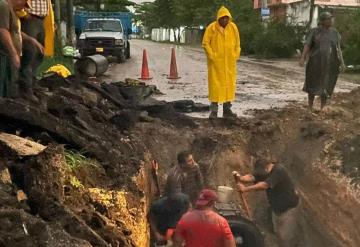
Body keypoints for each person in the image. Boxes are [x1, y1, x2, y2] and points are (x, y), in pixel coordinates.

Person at [235, 159, 301, 247]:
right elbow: (252, 177)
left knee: (285, 237)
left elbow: (265, 185)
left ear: (266, 168)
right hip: (277, 209)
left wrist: (245, 189)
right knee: (279, 235)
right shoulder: (265, 171)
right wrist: (241, 178)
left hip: (289, 209)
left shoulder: (279, 170)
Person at [299, 11, 346, 111]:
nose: (331, 21)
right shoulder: (314, 31)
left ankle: (322, 108)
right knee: (312, 83)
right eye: (328, 19)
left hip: (330, 63)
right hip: (315, 62)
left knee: (327, 84)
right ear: (322, 21)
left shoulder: (334, 33)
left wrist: (342, 62)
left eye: (331, 19)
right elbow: (307, 45)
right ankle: (310, 106)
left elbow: (338, 49)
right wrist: (303, 58)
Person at [202, 6, 241, 119]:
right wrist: (212, 56)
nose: (224, 20)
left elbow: (238, 43)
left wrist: (235, 55)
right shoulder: (212, 28)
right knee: (215, 87)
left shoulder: (233, 27)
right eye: (222, 18)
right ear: (218, 18)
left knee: (229, 86)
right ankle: (214, 111)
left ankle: (227, 110)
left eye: (226, 18)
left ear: (229, 18)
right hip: (216, 64)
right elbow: (205, 43)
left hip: (229, 63)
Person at [0, 0, 42, 98]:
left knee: (8, 87)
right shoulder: (3, 6)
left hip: (7, 56)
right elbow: (3, 31)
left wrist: (31, 39)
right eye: (24, 4)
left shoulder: (12, 11)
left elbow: (15, 32)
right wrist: (13, 53)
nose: (24, 8)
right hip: (3, 55)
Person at [19, 0, 54, 99]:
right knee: (30, 53)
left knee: (40, 53)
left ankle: (33, 83)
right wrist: (23, 13)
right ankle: (26, 88)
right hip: (30, 18)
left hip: (42, 19)